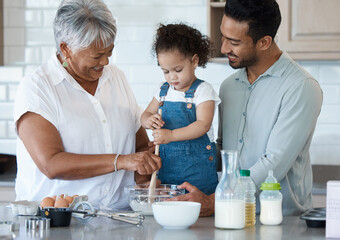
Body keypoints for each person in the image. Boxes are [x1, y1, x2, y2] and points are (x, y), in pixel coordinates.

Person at [170, 0, 323, 216]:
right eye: (223, 36)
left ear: (264, 42)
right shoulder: (229, 86)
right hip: (232, 214)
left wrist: (216, 200)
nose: (223, 48)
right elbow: (223, 149)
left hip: (280, 221)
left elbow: (274, 163)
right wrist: (175, 152)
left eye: (234, 42)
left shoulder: (301, 87)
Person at [13, 0, 161, 211]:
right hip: (57, 222)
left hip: (119, 218)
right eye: (97, 55)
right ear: (66, 49)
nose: (105, 63)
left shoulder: (116, 78)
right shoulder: (37, 88)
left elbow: (138, 149)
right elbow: (51, 164)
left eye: (109, 52)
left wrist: (146, 166)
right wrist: (121, 161)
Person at [140, 23, 220, 195]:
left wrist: (171, 135)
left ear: (194, 61)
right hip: (168, 170)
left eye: (177, 70)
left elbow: (203, 125)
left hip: (198, 172)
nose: (172, 77)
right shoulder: (163, 91)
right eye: (166, 71)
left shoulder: (203, 90)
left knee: (198, 208)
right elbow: (144, 115)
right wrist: (148, 121)